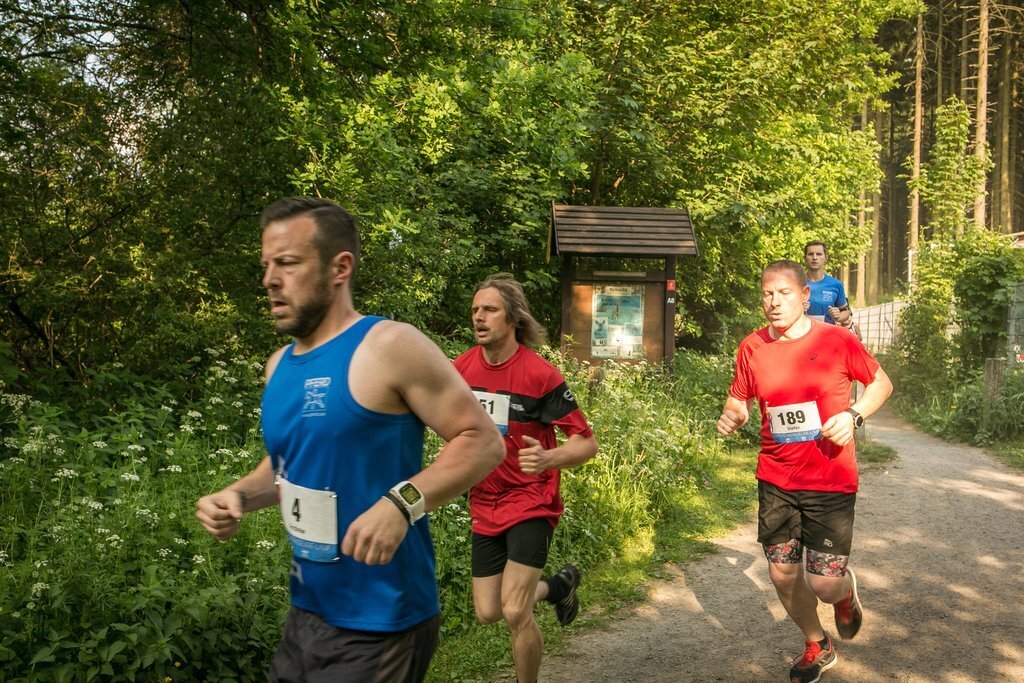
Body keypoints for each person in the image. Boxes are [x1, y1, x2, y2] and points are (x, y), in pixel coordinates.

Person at [195, 197, 504, 682]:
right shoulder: (278, 366)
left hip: (384, 620)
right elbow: (289, 463)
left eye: (288, 263)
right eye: (267, 265)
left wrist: (401, 504)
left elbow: (483, 440)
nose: (270, 279)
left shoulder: (389, 346)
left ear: (340, 267)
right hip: (307, 613)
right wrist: (237, 495)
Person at [716, 259, 892, 683]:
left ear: (804, 295)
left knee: (824, 585)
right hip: (776, 478)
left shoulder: (836, 340)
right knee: (782, 573)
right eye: (767, 294)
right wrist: (732, 414)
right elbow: (739, 398)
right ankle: (818, 643)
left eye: (784, 293)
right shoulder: (752, 347)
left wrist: (853, 415)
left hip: (830, 479)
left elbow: (881, 383)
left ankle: (843, 593)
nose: (774, 302)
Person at [453, 274, 599, 683]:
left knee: (516, 610)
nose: (479, 317)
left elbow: (586, 443)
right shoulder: (461, 369)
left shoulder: (540, 375)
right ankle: (558, 587)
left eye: (490, 310)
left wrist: (549, 458)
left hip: (531, 498)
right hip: (485, 499)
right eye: (475, 310)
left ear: (514, 318)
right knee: (489, 611)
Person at [803, 241, 853, 327]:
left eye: (819, 254)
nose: (814, 257)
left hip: (827, 332)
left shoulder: (836, 284)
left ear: (826, 258)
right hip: (801, 333)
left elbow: (846, 312)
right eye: (810, 254)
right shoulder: (795, 283)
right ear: (805, 258)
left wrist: (838, 316)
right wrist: (797, 310)